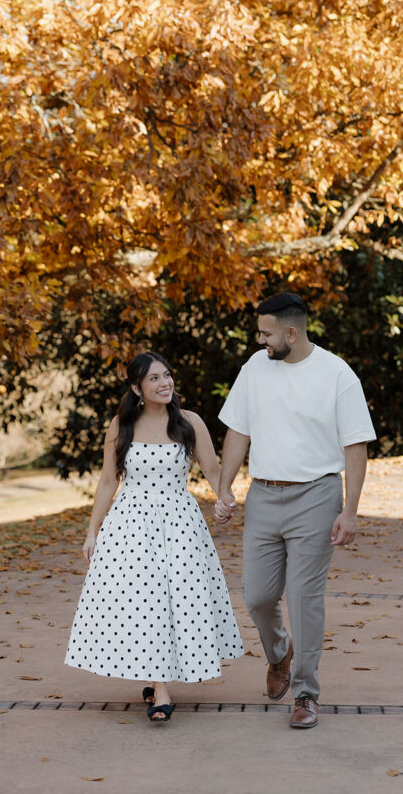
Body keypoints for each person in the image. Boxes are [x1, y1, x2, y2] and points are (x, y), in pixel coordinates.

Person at [215, 292, 376, 729]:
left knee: (305, 598)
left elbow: (355, 445)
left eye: (266, 333)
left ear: (291, 331)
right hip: (263, 496)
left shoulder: (336, 374)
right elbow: (237, 430)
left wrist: (351, 510)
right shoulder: (255, 368)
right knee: (258, 596)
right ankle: (279, 653)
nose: (260, 340)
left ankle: (306, 693)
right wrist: (225, 486)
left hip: (317, 497)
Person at [65, 350, 243, 722]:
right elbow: (108, 481)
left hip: (179, 524)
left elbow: (212, 469)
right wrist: (92, 531)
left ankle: (158, 682)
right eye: (154, 379)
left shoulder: (189, 422)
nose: (165, 383)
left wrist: (225, 499)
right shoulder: (121, 425)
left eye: (167, 375)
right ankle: (159, 687)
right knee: (143, 601)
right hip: (130, 526)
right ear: (137, 387)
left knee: (171, 599)